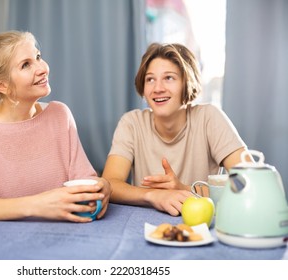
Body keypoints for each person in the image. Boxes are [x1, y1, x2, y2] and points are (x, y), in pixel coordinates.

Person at [0, 30, 111, 230]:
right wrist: (37, 205)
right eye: (26, 65)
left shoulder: (60, 114)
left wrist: (102, 187)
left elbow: (84, 177)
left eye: (38, 57)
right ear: (2, 85)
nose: (42, 68)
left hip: (62, 236)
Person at [102, 42, 251, 217]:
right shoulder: (131, 122)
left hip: (203, 225)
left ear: (186, 83)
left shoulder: (209, 117)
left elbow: (249, 182)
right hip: (144, 225)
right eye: (150, 79)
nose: (158, 88)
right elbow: (110, 184)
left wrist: (184, 190)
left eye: (169, 78)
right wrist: (154, 195)